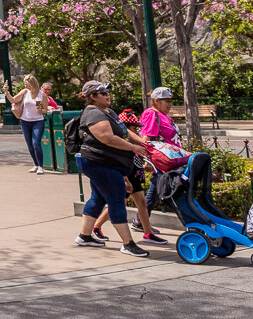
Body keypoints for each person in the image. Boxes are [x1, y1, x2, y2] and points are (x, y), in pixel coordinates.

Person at [73, 81, 151, 258]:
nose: (107, 94)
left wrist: (141, 142)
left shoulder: (107, 111)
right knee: (117, 198)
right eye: (102, 93)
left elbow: (123, 131)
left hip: (106, 163)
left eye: (108, 91)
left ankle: (84, 236)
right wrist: (133, 148)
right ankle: (128, 244)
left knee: (98, 197)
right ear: (92, 97)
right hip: (98, 163)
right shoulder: (93, 113)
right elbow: (107, 138)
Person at [90, 110, 167, 246]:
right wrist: (125, 179)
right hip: (127, 176)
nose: (136, 130)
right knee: (120, 202)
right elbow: (119, 162)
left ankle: (148, 233)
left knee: (142, 203)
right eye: (133, 127)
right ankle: (96, 226)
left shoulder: (133, 140)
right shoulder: (120, 142)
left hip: (135, 174)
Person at [138, 86, 179, 214]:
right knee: (166, 190)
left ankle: (140, 221)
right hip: (162, 161)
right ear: (157, 101)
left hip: (171, 160)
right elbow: (146, 138)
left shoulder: (164, 116)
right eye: (167, 101)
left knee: (155, 190)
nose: (170, 104)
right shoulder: (151, 114)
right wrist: (147, 160)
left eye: (170, 101)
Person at [4, 75, 47, 174]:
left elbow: (45, 110)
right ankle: (36, 164)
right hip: (25, 121)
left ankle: (40, 166)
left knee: (36, 143)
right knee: (30, 145)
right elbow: (13, 100)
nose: (25, 85)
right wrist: (7, 92)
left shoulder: (42, 95)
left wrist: (41, 109)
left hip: (38, 121)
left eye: (26, 83)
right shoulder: (25, 92)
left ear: (32, 83)